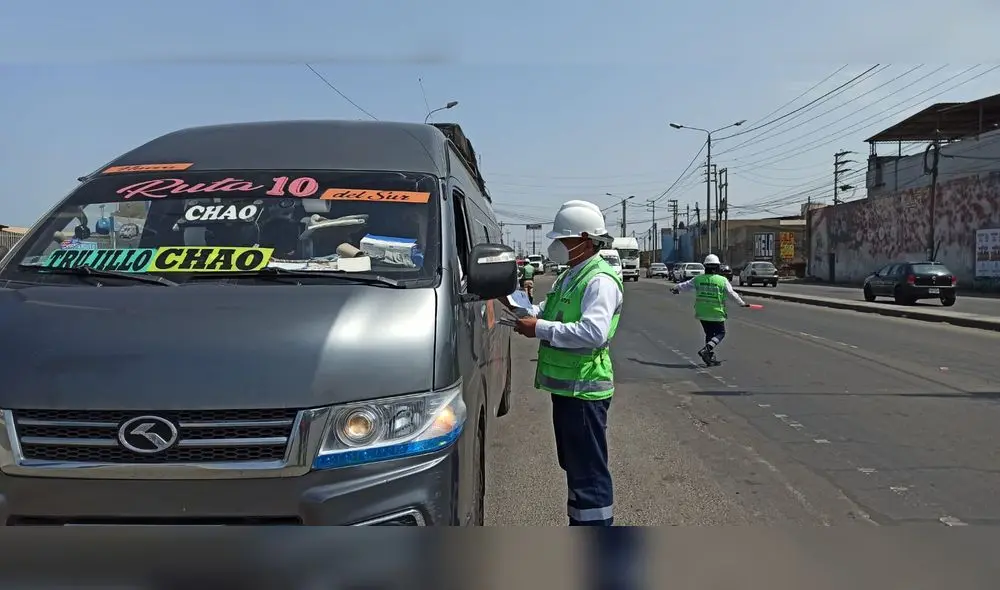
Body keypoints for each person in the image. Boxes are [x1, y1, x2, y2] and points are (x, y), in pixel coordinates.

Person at [508, 200, 623, 526]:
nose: (558, 247)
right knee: (575, 466)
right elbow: (547, 310)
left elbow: (593, 332)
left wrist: (539, 329)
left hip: (585, 391)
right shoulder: (572, 275)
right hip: (569, 390)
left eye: (565, 240)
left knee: (588, 472)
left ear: (586, 241)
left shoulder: (600, 280)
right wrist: (519, 309)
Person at [671, 253, 749, 366]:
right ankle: (707, 349)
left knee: (709, 334)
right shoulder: (722, 280)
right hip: (716, 312)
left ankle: (708, 357)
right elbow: (732, 294)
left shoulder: (698, 279)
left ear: (705, 267)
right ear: (717, 267)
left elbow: (685, 285)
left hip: (702, 312)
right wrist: (741, 303)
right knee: (720, 333)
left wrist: (675, 288)